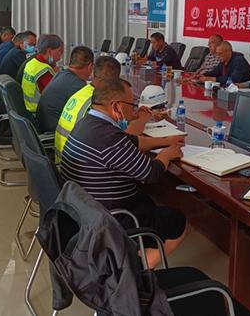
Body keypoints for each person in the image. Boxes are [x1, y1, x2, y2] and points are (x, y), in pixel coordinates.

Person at [60, 78, 186, 268]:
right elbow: (150, 173)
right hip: (109, 220)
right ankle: (138, 268)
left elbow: (132, 141)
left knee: (147, 200)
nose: (134, 110)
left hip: (84, 210)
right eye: (131, 104)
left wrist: (166, 141)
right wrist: (168, 154)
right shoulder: (109, 137)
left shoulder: (88, 122)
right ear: (116, 106)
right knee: (176, 220)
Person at [55, 56, 124, 158]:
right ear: (115, 81)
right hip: (76, 162)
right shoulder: (98, 103)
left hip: (63, 157)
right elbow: (116, 141)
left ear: (94, 74)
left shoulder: (82, 92)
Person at [37, 45, 94, 133]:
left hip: (42, 124)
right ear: (90, 66)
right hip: (53, 131)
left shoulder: (61, 74)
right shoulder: (78, 85)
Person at [21, 34, 64, 112]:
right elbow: (56, 96)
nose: (61, 55)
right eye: (59, 51)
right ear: (49, 51)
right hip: (40, 111)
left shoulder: (31, 62)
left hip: (29, 107)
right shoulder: (44, 71)